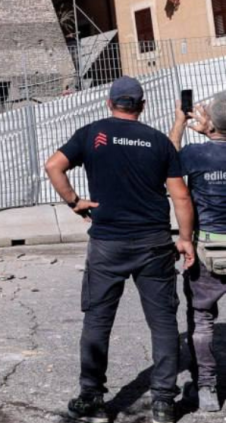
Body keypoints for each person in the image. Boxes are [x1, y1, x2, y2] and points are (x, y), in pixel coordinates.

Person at [45, 76, 195, 423]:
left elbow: (53, 166)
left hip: (107, 243)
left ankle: (92, 399)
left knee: (98, 319)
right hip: (153, 243)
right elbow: (181, 196)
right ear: (142, 106)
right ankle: (163, 403)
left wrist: (75, 202)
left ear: (109, 103)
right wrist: (185, 238)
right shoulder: (158, 141)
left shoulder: (91, 133)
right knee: (163, 322)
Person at [169, 94, 226, 412]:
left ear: (211, 122)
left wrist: (181, 122)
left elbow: (168, 157)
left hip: (207, 246)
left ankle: (207, 387)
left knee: (201, 318)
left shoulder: (195, 154)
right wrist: (215, 130)